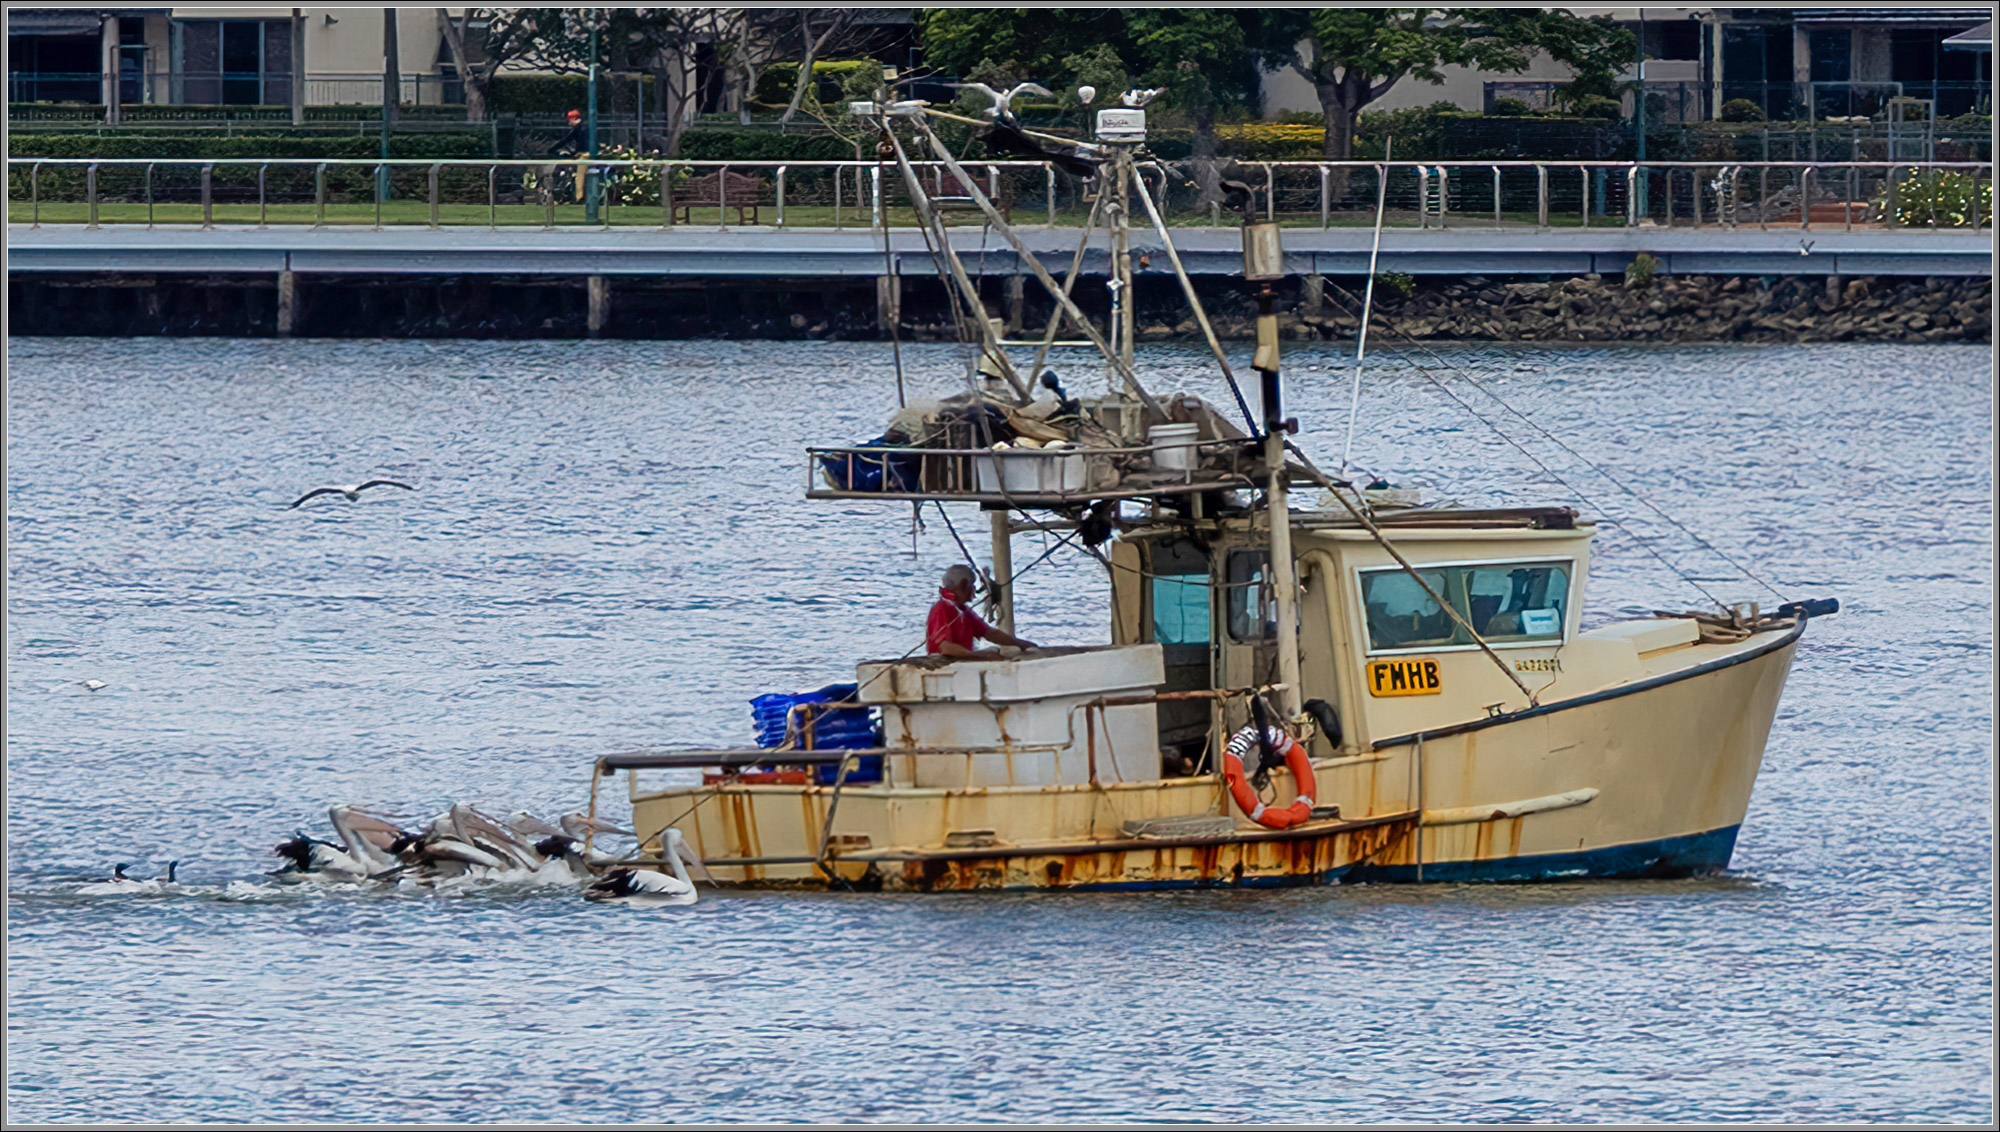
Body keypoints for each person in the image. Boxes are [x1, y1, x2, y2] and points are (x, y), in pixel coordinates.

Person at [927, 564, 1038, 659]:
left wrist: (1018, 643)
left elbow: (989, 633)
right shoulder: (941, 608)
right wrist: (979, 655)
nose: (974, 591)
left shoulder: (963, 610)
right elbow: (945, 647)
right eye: (972, 586)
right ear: (964, 585)